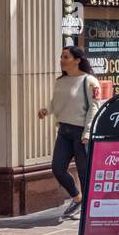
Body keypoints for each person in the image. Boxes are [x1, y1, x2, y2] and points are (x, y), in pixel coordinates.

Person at [38, 46, 101, 220]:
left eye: (66, 57)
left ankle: (88, 206)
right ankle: (77, 197)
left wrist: (88, 132)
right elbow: (56, 102)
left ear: (77, 60)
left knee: (84, 171)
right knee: (57, 168)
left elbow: (94, 108)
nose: (61, 60)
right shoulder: (61, 81)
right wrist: (46, 110)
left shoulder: (89, 81)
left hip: (82, 132)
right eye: (61, 57)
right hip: (64, 131)